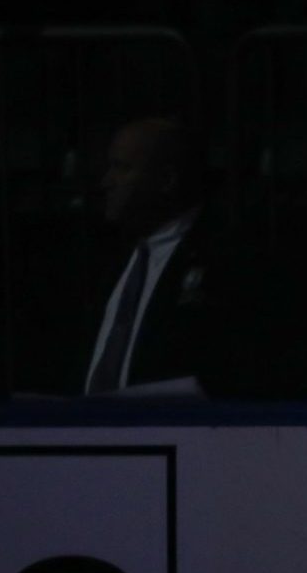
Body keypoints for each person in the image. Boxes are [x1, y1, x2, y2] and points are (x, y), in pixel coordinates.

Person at [79, 116, 226, 396]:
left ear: (166, 180)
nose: (106, 182)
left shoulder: (223, 259)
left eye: (122, 168)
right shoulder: (105, 258)